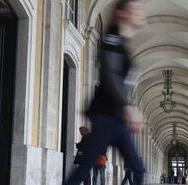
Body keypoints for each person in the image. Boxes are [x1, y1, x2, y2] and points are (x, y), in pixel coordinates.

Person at [65, 0, 147, 184]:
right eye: (136, 9)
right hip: (106, 115)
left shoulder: (122, 41)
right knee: (86, 167)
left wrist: (129, 110)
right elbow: (110, 74)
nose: (141, 12)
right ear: (123, 13)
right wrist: (128, 108)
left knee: (138, 168)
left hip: (117, 118)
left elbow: (121, 82)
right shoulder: (112, 37)